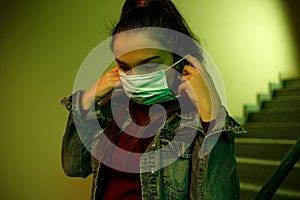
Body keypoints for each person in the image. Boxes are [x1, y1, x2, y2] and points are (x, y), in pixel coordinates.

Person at [60, 0, 246, 199]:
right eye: (124, 67)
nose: (135, 77)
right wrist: (87, 100)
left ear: (179, 59)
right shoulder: (112, 107)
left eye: (149, 66)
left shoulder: (196, 120)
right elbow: (74, 167)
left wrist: (212, 115)